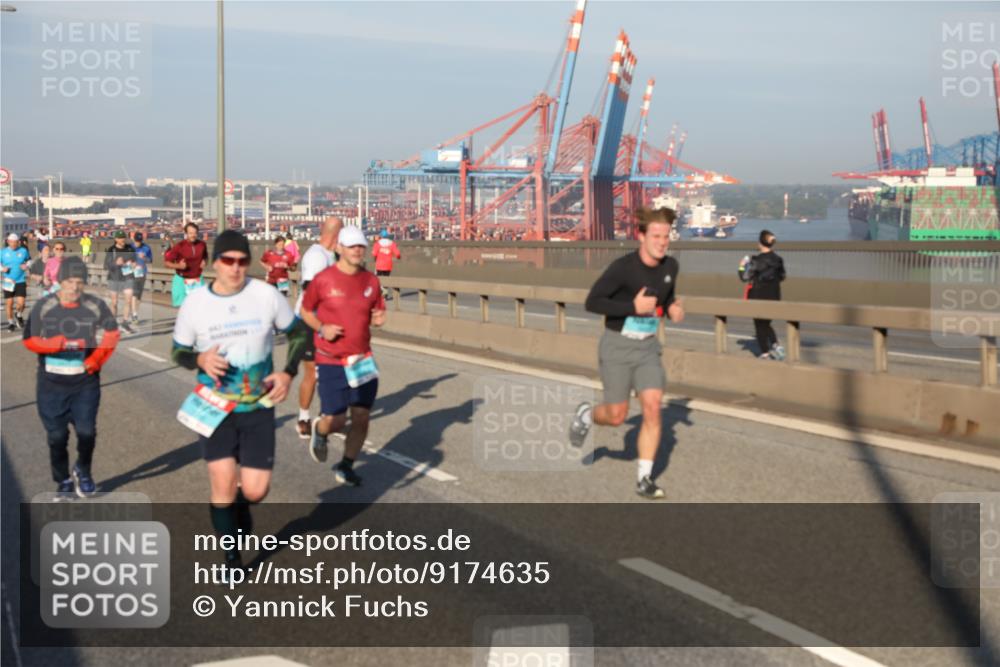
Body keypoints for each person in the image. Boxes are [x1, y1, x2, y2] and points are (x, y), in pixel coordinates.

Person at [171, 230, 309, 577]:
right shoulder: (195, 303)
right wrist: (199, 360)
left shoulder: (265, 296)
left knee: (256, 489)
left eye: (242, 261)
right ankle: (231, 557)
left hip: (258, 407)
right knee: (221, 480)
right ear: (214, 263)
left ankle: (242, 507)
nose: (235, 268)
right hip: (215, 406)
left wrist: (288, 373)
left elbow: (299, 333)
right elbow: (178, 351)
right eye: (228, 261)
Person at [568, 207, 684, 500]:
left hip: (647, 347)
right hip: (617, 346)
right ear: (641, 236)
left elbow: (666, 296)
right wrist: (632, 307)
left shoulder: (671, 267)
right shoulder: (622, 269)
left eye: (666, 237)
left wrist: (672, 308)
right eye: (656, 236)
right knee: (616, 416)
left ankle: (644, 479)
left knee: (653, 406)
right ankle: (586, 414)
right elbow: (592, 302)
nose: (662, 242)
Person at [22, 256, 120, 497]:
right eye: (69, 281)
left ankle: (83, 471)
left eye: (80, 281)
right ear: (60, 281)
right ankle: (63, 479)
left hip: (85, 382)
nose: (75, 287)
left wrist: (95, 360)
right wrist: (52, 345)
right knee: (57, 437)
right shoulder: (44, 306)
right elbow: (29, 339)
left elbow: (112, 333)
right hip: (51, 384)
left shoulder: (95, 305)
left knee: (87, 432)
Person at [301, 225, 386, 486]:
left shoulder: (371, 281)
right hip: (331, 359)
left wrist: (379, 317)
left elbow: (378, 310)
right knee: (336, 420)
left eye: (360, 246)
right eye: (351, 246)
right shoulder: (323, 279)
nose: (357, 251)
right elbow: (306, 311)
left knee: (361, 416)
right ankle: (320, 429)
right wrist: (322, 328)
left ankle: (347, 465)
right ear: (339, 248)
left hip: (361, 359)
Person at [293, 216, 341, 440]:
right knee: (313, 372)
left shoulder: (332, 255)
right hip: (308, 321)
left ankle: (325, 416)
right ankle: (304, 419)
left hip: (326, 322)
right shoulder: (316, 256)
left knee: (330, 371)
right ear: (335, 235)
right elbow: (310, 288)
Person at [741, 229, 786, 360]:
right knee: (766, 323)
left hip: (758, 296)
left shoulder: (756, 260)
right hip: (774, 296)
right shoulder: (779, 260)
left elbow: (744, 277)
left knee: (759, 324)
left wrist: (742, 266)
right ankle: (776, 345)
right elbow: (782, 276)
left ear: (760, 243)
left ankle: (765, 353)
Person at [164, 222, 208, 307]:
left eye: (195, 233)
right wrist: (179, 266)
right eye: (190, 233)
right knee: (183, 308)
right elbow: (167, 263)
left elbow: (205, 257)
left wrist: (205, 261)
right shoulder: (179, 246)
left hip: (197, 280)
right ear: (186, 233)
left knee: (198, 307)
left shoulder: (202, 245)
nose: (193, 235)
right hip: (182, 280)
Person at [104, 231, 136, 334]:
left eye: (124, 237)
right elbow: (106, 266)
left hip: (127, 277)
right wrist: (116, 263)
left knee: (128, 300)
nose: (123, 239)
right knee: (114, 302)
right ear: (116, 239)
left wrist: (134, 264)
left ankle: (125, 323)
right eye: (120, 238)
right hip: (114, 278)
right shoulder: (111, 250)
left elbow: (134, 260)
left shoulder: (130, 248)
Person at [2, 232, 31, 331]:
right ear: (8, 242)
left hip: (20, 280)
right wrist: (2, 269)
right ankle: (10, 323)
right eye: (11, 242)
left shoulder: (23, 251)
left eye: (15, 242)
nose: (13, 244)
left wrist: (26, 265)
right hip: (8, 281)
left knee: (21, 303)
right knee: (9, 303)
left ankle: (18, 315)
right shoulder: (3, 252)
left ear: (18, 242)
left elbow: (29, 260)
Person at [131, 232, 154, 324]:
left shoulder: (146, 248)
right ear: (134, 239)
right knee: (134, 293)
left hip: (142, 273)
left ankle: (135, 313)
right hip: (131, 273)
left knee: (138, 295)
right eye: (137, 241)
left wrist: (144, 258)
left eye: (140, 241)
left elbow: (150, 260)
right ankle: (134, 315)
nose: (138, 243)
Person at [372, 229, 401, 300]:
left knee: (379, 280)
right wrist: (398, 257)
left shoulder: (377, 244)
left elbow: (374, 254)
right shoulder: (392, 244)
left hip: (379, 265)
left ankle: (381, 294)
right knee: (386, 279)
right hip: (388, 265)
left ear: (381, 236)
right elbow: (398, 254)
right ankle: (385, 295)